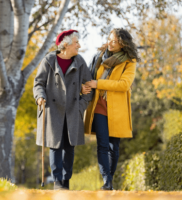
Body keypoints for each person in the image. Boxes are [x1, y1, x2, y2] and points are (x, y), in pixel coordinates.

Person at [33, 30, 93, 190]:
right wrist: (39, 96)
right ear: (65, 45)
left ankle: (66, 180)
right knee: (55, 146)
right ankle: (58, 181)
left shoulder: (80, 61)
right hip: (53, 110)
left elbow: (89, 86)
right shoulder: (49, 60)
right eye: (76, 43)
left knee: (69, 147)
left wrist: (80, 106)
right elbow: (38, 83)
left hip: (73, 111)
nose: (79, 46)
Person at [82, 28, 140, 190]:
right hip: (99, 105)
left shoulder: (129, 61)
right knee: (103, 144)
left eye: (114, 41)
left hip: (117, 109)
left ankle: (109, 181)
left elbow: (123, 85)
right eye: (109, 39)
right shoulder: (99, 57)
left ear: (123, 44)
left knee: (114, 147)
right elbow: (88, 77)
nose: (110, 43)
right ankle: (107, 182)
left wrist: (98, 84)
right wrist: (84, 86)